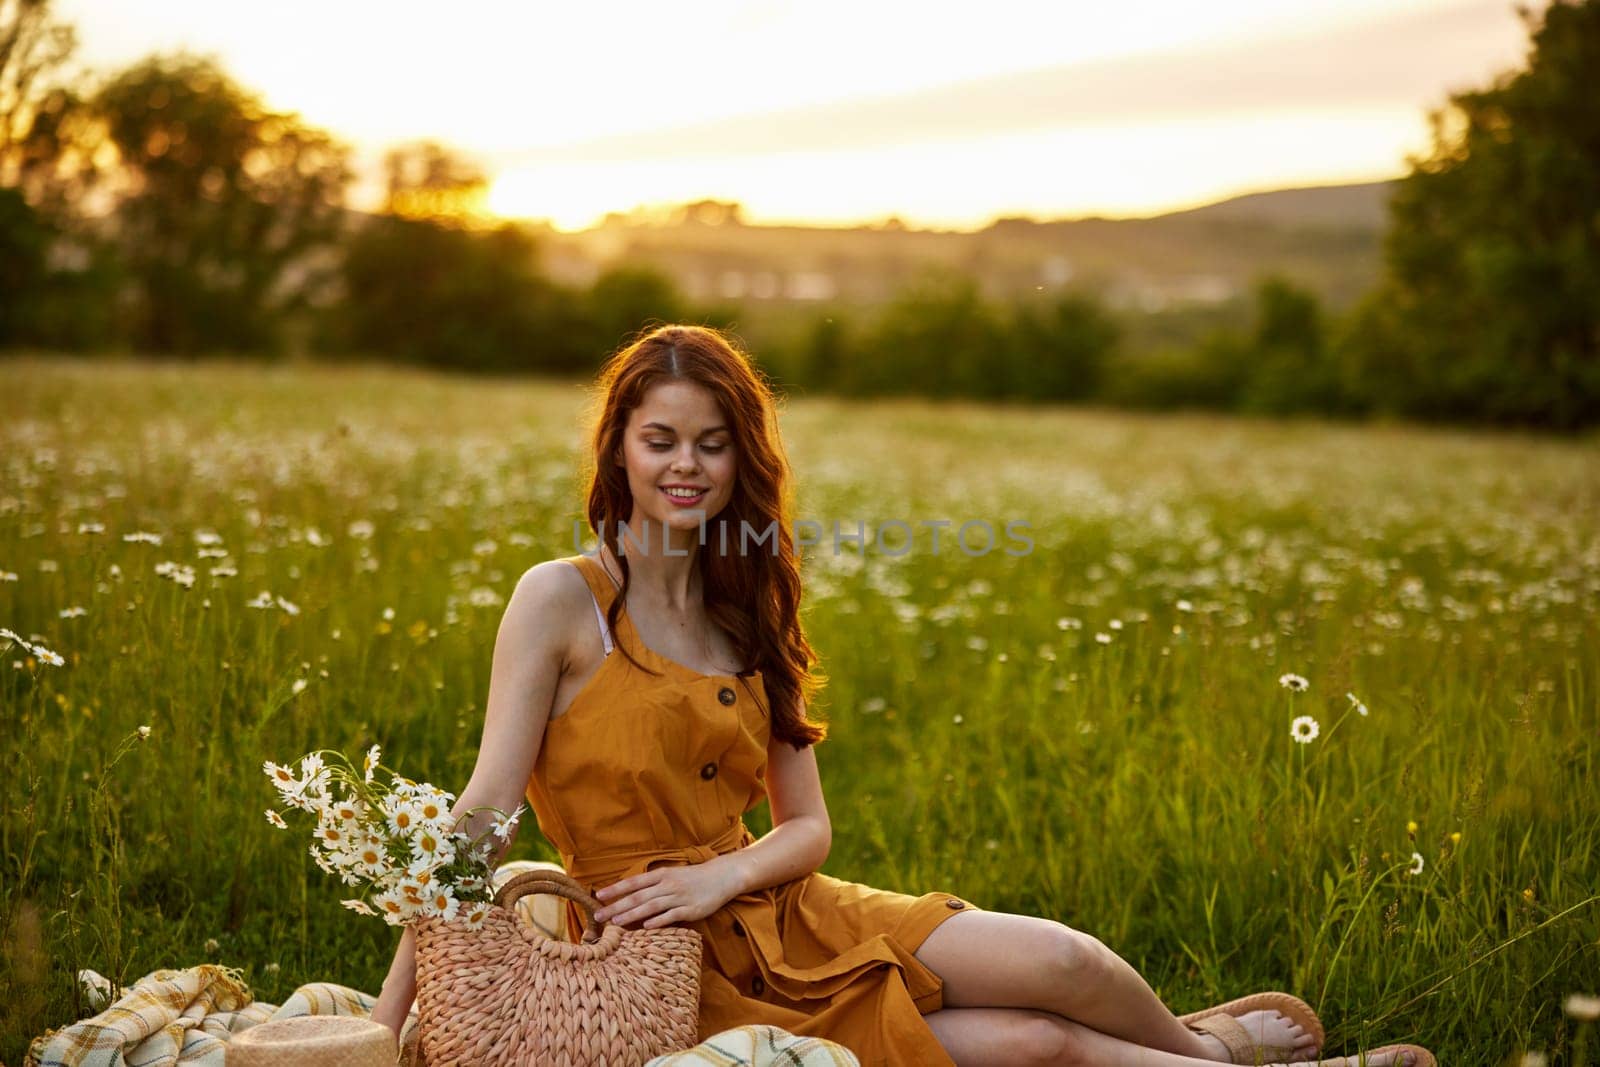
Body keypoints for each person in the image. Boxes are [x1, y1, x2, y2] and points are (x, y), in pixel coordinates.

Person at [369, 324, 1430, 1067]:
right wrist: (387, 1020)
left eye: (712, 440)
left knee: (1062, 957)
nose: (685, 465)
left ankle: (1195, 1044)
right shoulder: (561, 599)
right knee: (1034, 1043)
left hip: (779, 904)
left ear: (744, 453)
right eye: (660, 439)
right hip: (660, 958)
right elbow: (485, 811)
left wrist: (722, 875)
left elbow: (809, 828)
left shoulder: (752, 601)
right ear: (619, 446)